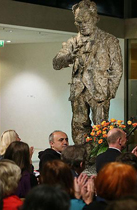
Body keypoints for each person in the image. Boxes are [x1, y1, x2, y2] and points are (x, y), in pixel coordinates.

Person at [52, 0, 123, 144]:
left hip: (100, 91)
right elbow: (56, 63)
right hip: (78, 90)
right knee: (78, 126)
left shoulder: (109, 40)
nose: (82, 25)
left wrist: (109, 91)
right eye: (78, 22)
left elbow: (117, 69)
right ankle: (81, 157)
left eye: (86, 21)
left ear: (95, 19)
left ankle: (98, 157)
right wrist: (69, 56)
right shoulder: (73, 41)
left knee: (101, 126)